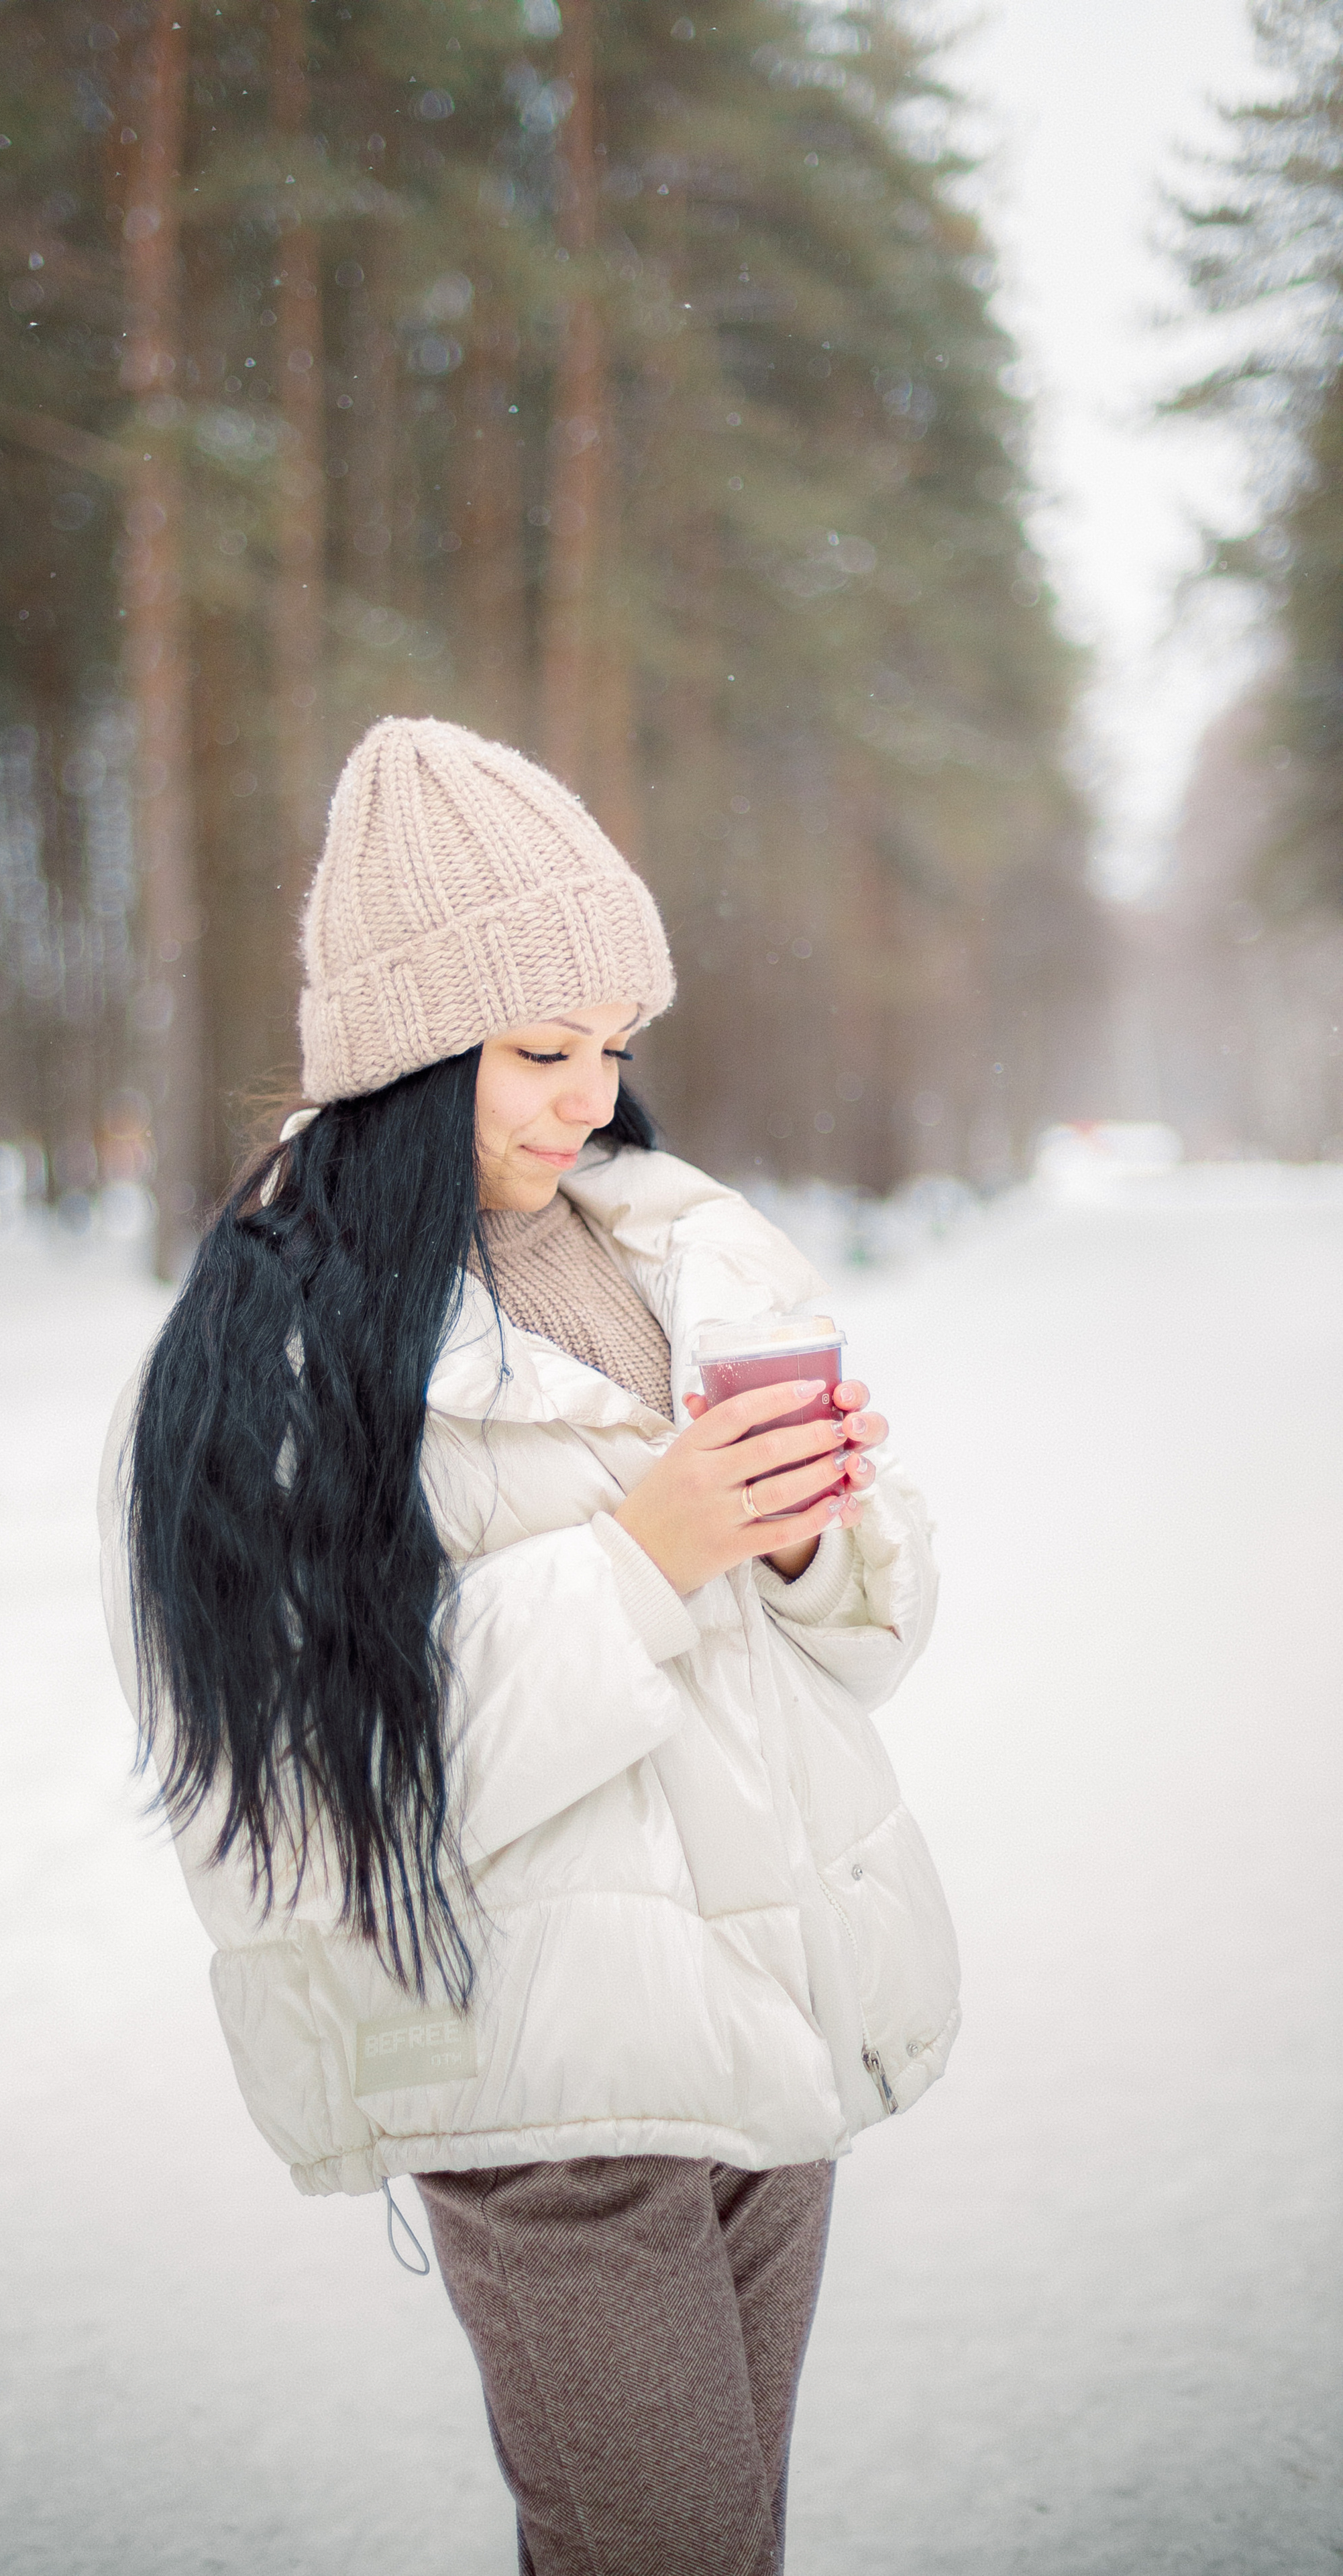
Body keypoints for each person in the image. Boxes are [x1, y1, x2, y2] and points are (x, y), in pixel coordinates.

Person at [99, 716, 959, 2576]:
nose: (592, 1101)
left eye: (615, 1052)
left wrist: (810, 1534)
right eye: (540, 1054)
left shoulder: (677, 1252)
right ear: (410, 1061)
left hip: (770, 2044)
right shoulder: (286, 1356)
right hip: (551, 2090)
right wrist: (646, 1555)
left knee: (728, 2550)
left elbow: (859, 1649)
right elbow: (322, 1805)